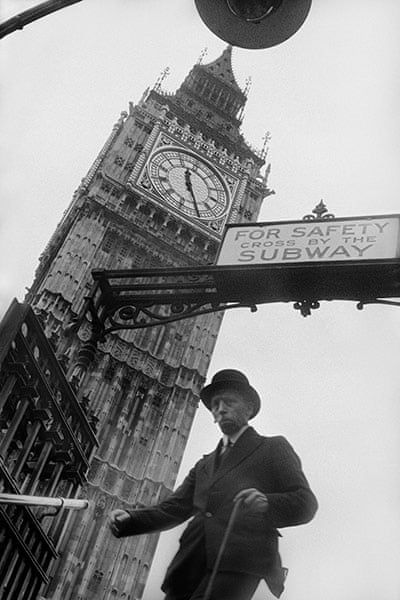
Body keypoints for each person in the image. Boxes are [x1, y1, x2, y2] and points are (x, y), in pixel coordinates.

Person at [109, 369, 318, 600]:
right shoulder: (204, 465)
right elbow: (174, 508)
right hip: (188, 569)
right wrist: (132, 519)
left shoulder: (273, 448)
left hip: (239, 566)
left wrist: (267, 503)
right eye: (215, 404)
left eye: (229, 402)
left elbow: (306, 503)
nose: (220, 408)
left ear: (248, 408)